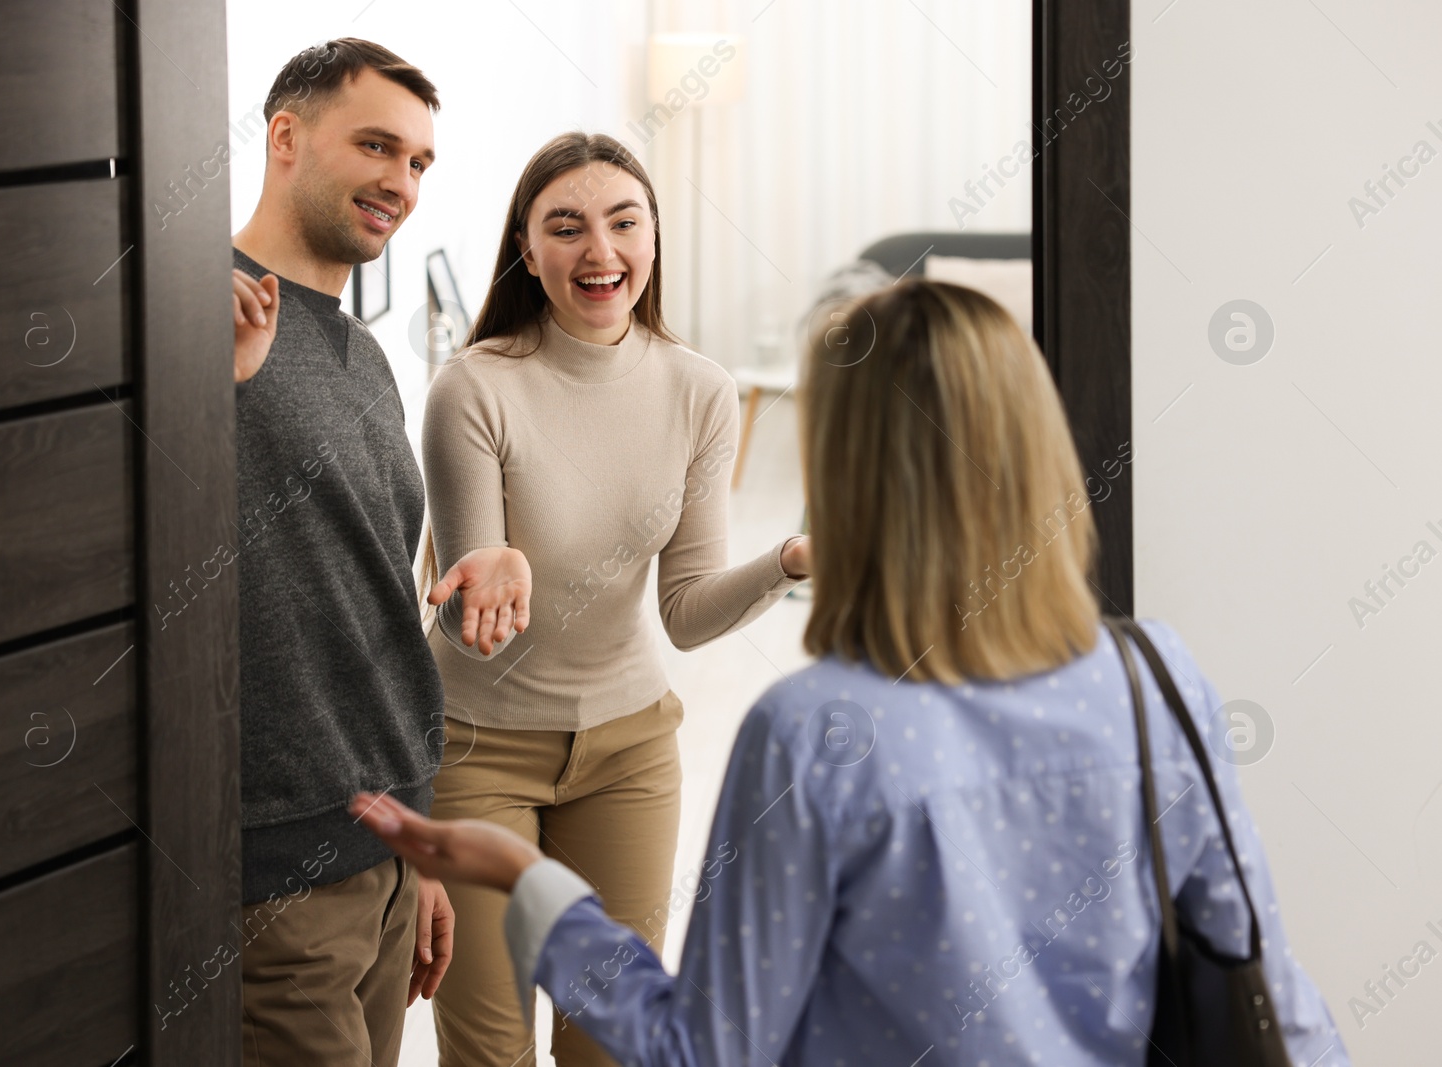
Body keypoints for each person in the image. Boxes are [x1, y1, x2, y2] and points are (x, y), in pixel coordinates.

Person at [351, 279, 1350, 1065]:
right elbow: (1266, 983)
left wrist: (533, 885)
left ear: (850, 471)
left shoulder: (817, 728)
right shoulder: (1154, 680)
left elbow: (701, 1047)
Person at [416, 131, 810, 1066]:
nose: (601, 252)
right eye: (568, 227)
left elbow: (685, 609)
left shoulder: (700, 391)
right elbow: (468, 615)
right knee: (489, 1046)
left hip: (629, 751)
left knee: (616, 1040)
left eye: (624, 222)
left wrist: (790, 559)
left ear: (655, 238)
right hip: (479, 753)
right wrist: (485, 578)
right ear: (527, 249)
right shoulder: (474, 387)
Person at [228, 39, 531, 1067]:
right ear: (286, 138)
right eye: (375, 146)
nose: (401, 183)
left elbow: (367, 604)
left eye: (418, 163)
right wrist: (207, 387)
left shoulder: (364, 356)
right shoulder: (189, 310)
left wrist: (419, 845)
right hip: (274, 875)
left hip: (385, 844)